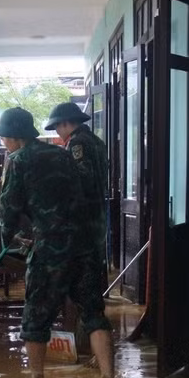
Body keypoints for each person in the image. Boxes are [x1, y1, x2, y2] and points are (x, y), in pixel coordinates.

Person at [0, 107, 116, 378]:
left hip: (51, 248)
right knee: (93, 312)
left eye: (4, 138)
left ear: (12, 138)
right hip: (85, 243)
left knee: (36, 314)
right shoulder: (63, 153)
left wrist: (5, 239)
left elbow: (8, 207)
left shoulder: (18, 160)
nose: (4, 143)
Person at [45, 101, 108, 268]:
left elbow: (81, 179)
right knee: (95, 266)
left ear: (65, 123)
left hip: (83, 218)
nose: (57, 132)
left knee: (82, 270)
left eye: (57, 126)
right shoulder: (97, 141)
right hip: (99, 213)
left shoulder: (76, 143)